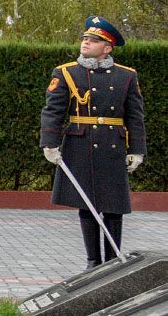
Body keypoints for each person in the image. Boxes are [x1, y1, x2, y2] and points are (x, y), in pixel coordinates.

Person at [40, 16, 146, 268]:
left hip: (113, 145)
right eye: (85, 38)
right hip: (81, 143)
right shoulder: (66, 72)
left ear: (107, 48)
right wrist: (50, 144)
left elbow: (135, 115)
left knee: (114, 205)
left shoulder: (126, 76)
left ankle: (112, 261)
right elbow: (52, 111)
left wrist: (137, 150)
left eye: (94, 40)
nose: (86, 42)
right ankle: (92, 261)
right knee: (86, 204)